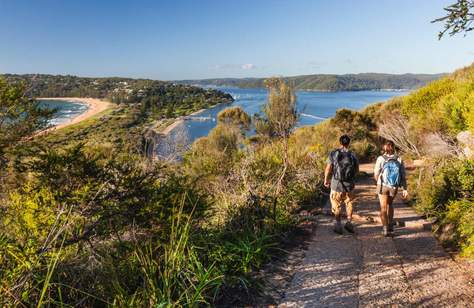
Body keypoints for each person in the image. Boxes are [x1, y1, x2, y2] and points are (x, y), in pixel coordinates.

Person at [324, 135, 359, 234]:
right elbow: (357, 170)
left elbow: (328, 168)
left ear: (340, 142)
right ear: (349, 143)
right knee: (349, 203)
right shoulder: (352, 155)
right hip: (349, 185)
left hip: (336, 184)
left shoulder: (333, 153)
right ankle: (349, 222)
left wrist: (326, 179)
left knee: (336, 204)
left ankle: (338, 224)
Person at [374, 140, 408, 237]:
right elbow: (403, 175)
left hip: (383, 185)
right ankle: (390, 226)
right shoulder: (399, 159)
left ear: (384, 148)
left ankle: (385, 229)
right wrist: (405, 189)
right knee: (390, 204)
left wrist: (378, 182)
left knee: (383, 207)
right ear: (393, 147)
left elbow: (376, 173)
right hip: (394, 186)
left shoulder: (381, 158)